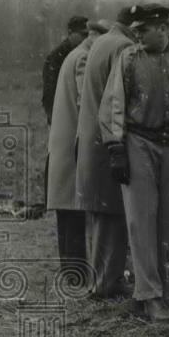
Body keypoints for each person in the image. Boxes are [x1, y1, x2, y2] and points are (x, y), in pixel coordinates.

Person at [99, 3, 169, 321]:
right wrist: (115, 148)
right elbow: (113, 104)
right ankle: (151, 295)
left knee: (165, 220)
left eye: (143, 29)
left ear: (162, 28)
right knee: (140, 217)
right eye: (135, 29)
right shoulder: (129, 58)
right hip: (139, 141)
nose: (137, 34)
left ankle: (148, 291)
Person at [75, 8, 134, 299]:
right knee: (112, 214)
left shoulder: (102, 41)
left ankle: (103, 279)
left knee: (101, 215)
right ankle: (105, 283)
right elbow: (118, 99)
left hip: (91, 139)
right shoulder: (123, 46)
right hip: (106, 140)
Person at [46, 19, 110, 277]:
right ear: (92, 36)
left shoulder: (74, 55)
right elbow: (87, 103)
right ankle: (76, 272)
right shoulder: (84, 58)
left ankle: (72, 270)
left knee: (68, 211)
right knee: (73, 209)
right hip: (73, 145)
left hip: (63, 143)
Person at [42, 15, 89, 125]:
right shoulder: (57, 56)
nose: (85, 38)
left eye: (87, 35)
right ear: (70, 33)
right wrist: (54, 115)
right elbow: (50, 88)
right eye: (82, 34)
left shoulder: (81, 52)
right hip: (60, 111)